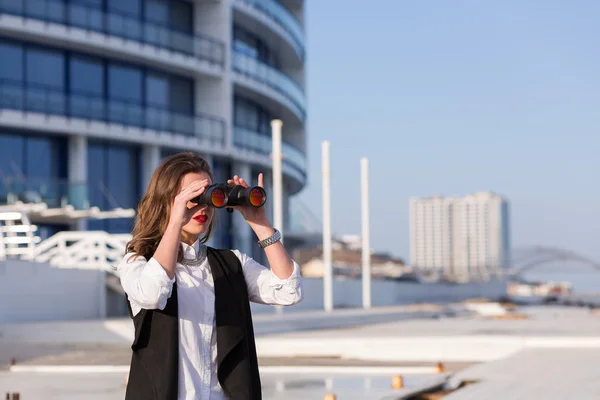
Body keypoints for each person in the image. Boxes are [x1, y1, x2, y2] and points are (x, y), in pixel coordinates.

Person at [117, 152, 303, 400]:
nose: (202, 207)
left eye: (208, 196)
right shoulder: (137, 262)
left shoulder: (231, 263)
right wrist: (174, 222)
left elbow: (289, 290)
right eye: (192, 198)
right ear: (166, 202)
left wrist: (260, 224)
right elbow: (153, 294)